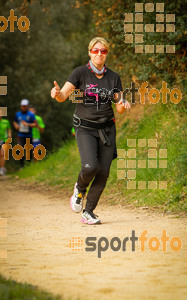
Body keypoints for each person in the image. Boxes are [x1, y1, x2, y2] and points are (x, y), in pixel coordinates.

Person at [51, 37, 130, 225]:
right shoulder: (80, 73)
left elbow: (118, 106)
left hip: (107, 128)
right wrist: (57, 94)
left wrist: (123, 103)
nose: (99, 54)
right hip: (85, 127)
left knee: (103, 173)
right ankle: (79, 189)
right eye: (95, 51)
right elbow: (63, 95)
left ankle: (88, 212)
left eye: (103, 51)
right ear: (89, 52)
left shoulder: (113, 77)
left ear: (107, 54)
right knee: (90, 167)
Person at [13, 99, 36, 168]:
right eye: (23, 106)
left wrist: (28, 124)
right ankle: (21, 166)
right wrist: (16, 126)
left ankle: (29, 165)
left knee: (29, 150)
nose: (24, 107)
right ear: (21, 106)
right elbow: (14, 121)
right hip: (21, 135)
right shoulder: (17, 114)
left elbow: (35, 124)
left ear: (27, 106)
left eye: (25, 106)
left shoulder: (31, 115)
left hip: (29, 135)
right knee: (21, 149)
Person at [0, 109, 12, 176]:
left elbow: (9, 128)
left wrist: (9, 135)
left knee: (2, 154)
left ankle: (1, 169)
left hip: (3, 139)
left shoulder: (6, 121)